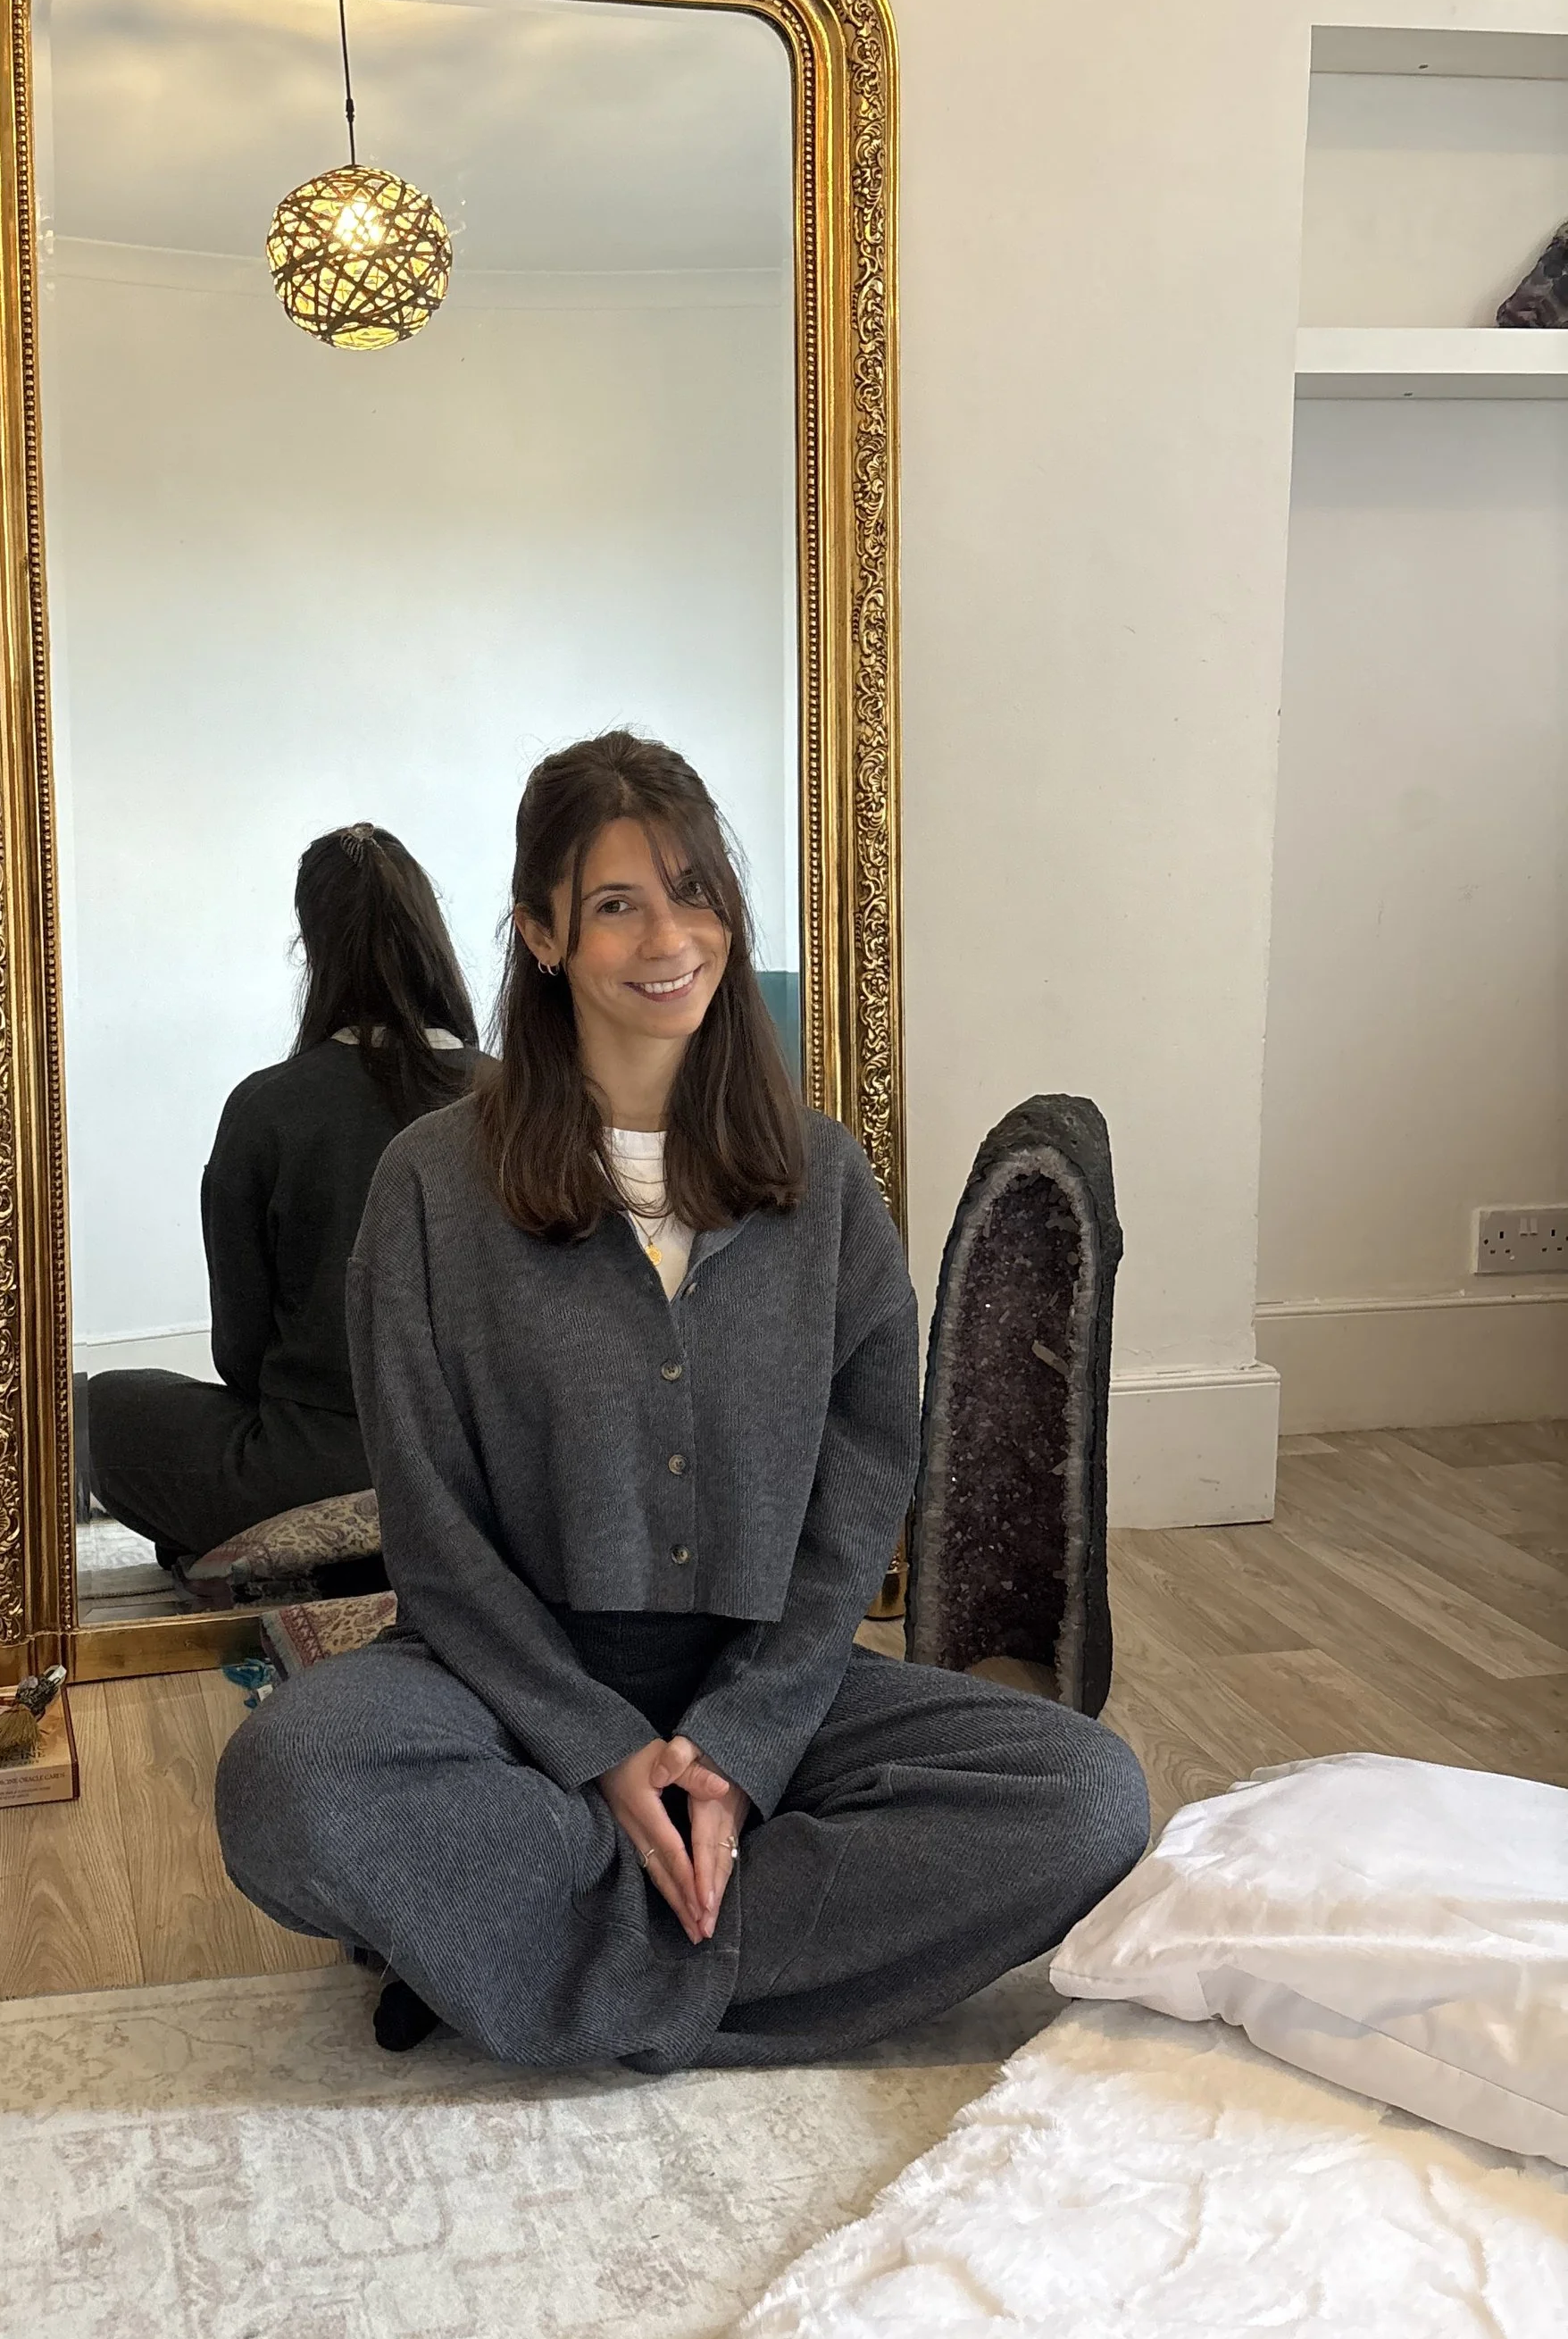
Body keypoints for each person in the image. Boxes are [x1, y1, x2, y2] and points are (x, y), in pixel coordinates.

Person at [217, 732, 1148, 2067]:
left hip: (763, 1679)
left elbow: (859, 1489)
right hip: (497, 1684)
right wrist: (597, 1745)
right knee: (289, 1786)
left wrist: (740, 1746)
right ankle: (681, 1936)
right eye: (616, 903)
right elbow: (430, 1526)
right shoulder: (430, 1186)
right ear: (542, 933)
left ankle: (531, 1949)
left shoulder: (826, 1183)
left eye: (695, 889)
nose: (671, 935)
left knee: (1085, 1798)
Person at [87, 824, 480, 1572]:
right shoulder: (519, 1097)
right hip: (483, 1479)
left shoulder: (268, 1106)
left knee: (96, 1406)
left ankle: (278, 1553)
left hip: (310, 1473)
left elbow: (239, 1355)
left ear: (312, 950)